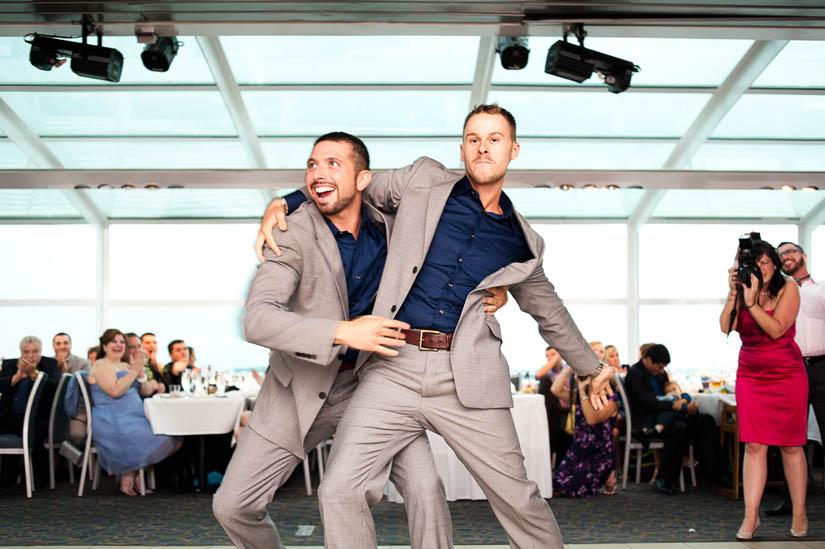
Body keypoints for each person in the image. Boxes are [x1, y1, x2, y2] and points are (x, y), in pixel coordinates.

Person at [256, 105, 614, 548]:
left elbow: (550, 312)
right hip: (392, 367)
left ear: (514, 150)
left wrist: (591, 367)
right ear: (462, 148)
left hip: (467, 375)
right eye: (473, 138)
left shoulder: (523, 244)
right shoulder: (422, 180)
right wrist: (286, 201)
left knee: (518, 498)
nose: (483, 147)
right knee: (338, 489)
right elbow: (351, 183)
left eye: (495, 139)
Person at [215, 131, 511, 548]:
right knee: (232, 506)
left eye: (333, 164)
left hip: (377, 385)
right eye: (313, 164)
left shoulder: (395, 228)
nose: (318, 172)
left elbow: (461, 246)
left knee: (425, 489)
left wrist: (498, 287)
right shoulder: (290, 234)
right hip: (298, 389)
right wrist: (342, 331)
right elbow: (258, 320)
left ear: (363, 180)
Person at [720, 238, 808, 539]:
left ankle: (799, 513)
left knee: (791, 445)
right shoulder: (742, 290)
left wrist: (753, 303)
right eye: (754, 264)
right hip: (751, 374)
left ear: (774, 264)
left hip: (786, 373)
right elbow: (725, 327)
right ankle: (750, 516)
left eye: (766, 263)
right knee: (755, 445)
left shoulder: (789, 289)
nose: (761, 269)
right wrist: (734, 295)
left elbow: (776, 329)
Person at [766, 241, 825, 517]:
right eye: (781, 255)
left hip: (822, 368)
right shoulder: (778, 293)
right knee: (789, 437)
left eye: (790, 251)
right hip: (789, 368)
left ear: (803, 255)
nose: (786, 256)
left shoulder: (821, 290)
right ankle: (788, 500)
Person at [87, 328, 182, 496]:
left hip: (135, 416)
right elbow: (115, 391)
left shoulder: (123, 364)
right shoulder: (101, 365)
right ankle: (131, 474)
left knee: (176, 437)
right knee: (164, 437)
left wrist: (143, 375)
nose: (119, 345)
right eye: (114, 342)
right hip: (113, 419)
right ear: (104, 345)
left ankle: (136, 472)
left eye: (122, 342)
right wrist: (133, 371)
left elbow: (143, 391)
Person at [0, 336, 61, 486]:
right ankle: (9, 473)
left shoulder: (50, 364)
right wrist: (17, 377)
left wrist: (33, 373)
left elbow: (54, 388)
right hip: (9, 415)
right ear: (21, 353)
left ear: (41, 351)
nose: (31, 356)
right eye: (26, 352)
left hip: (38, 417)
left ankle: (38, 475)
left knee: (31, 432)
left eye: (35, 351)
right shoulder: (10, 365)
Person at [552, 373, 619, 497]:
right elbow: (555, 390)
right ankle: (609, 477)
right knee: (556, 484)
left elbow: (591, 419)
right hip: (577, 451)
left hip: (599, 454)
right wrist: (570, 367)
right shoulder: (580, 397)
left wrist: (583, 392)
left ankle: (610, 473)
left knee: (574, 488)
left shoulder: (611, 401)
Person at [536, 346, 569, 467]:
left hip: (568, 408)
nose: (550, 358)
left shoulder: (568, 368)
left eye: (553, 354)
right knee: (545, 381)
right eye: (547, 356)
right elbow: (538, 375)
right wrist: (553, 361)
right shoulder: (548, 372)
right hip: (553, 411)